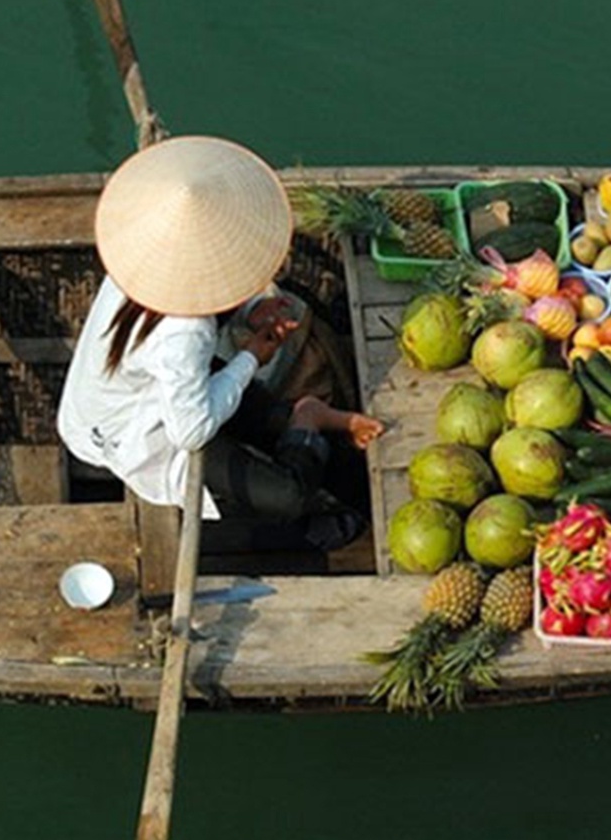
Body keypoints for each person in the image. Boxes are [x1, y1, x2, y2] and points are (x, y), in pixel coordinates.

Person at [57, 135, 383, 548]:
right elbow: (190, 432)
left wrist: (251, 312)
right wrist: (250, 356)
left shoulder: (142, 259)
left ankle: (304, 416)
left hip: (156, 389)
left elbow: (202, 295)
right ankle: (307, 420)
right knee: (289, 496)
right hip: (135, 427)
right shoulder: (184, 332)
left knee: (251, 410)